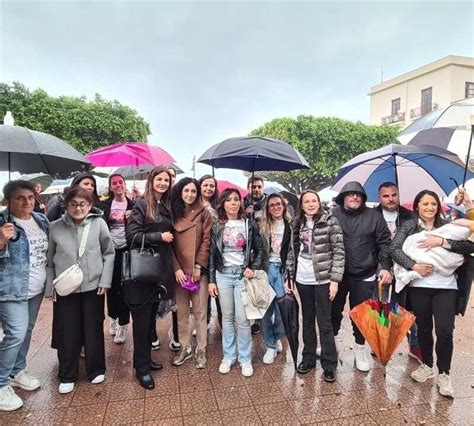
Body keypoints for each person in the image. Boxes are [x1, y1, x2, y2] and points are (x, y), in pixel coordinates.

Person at [390, 190, 474, 398]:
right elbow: (395, 248)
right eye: (425, 204)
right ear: (416, 206)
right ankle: (427, 365)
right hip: (419, 286)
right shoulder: (409, 226)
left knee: (445, 331)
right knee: (424, 329)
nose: (429, 208)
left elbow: (469, 244)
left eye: (433, 204)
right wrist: (414, 266)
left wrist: (442, 242)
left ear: (438, 207)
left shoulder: (448, 226)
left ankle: (444, 374)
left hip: (446, 286)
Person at [46, 187, 114, 394]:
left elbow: (109, 254)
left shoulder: (98, 223)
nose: (78, 208)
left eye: (83, 204)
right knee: (67, 331)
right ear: (66, 205)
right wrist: (51, 287)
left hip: (93, 287)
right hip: (65, 289)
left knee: (93, 329)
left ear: (90, 205)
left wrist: (105, 281)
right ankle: (67, 374)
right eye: (73, 203)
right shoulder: (55, 227)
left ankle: (96, 369)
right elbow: (49, 261)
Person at [331, 181, 392, 372]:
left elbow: (384, 243)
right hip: (338, 275)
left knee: (362, 316)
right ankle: (330, 345)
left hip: (364, 274)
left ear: (363, 197)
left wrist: (384, 267)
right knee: (333, 312)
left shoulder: (374, 217)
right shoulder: (333, 215)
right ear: (343, 197)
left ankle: (360, 349)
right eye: (350, 194)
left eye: (358, 194)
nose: (354, 197)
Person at [0, 180, 49, 411]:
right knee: (16, 333)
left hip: (36, 289)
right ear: (8, 200)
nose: (27, 202)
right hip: (11, 290)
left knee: (26, 330)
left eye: (30, 197)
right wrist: (0, 241)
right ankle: (1, 383)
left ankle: (16, 371)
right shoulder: (2, 222)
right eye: (20, 198)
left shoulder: (40, 220)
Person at [125, 166, 175, 390]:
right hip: (142, 273)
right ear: (152, 180)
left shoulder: (165, 206)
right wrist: (159, 236)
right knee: (142, 323)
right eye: (160, 179)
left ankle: (143, 361)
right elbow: (132, 236)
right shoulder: (141, 204)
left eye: (167, 180)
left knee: (149, 323)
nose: (163, 183)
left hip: (159, 272)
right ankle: (141, 370)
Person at [208, 188, 264, 377]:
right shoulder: (217, 225)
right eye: (229, 200)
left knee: (243, 319)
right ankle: (229, 356)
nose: (233, 203)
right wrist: (211, 280)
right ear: (222, 203)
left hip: (242, 276)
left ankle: (245, 358)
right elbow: (211, 254)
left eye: (236, 199)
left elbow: (260, 249)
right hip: (223, 275)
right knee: (227, 317)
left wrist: (252, 267)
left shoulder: (249, 224)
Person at [292, 190, 344, 382]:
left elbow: (339, 251)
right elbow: (292, 250)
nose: (311, 204)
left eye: (314, 200)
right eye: (307, 201)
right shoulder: (297, 223)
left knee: (325, 322)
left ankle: (329, 363)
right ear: (302, 205)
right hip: (302, 279)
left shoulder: (330, 221)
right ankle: (308, 357)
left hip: (323, 279)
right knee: (307, 319)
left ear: (319, 202)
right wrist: (290, 274)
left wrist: (334, 281)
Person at [375, 182, 420, 362]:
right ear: (380, 197)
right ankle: (380, 342)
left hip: (406, 268)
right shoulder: (373, 215)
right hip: (380, 267)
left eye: (394, 194)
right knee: (381, 307)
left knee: (408, 309)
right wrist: (383, 267)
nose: (390, 198)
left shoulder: (410, 217)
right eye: (386, 196)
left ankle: (414, 344)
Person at [170, 178, 212, 368]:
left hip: (197, 271)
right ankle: (185, 347)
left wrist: (198, 266)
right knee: (182, 313)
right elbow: (168, 245)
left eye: (193, 191)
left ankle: (201, 349)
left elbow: (206, 241)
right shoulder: (172, 213)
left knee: (200, 312)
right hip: (178, 272)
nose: (189, 194)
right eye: (186, 190)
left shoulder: (204, 213)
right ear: (180, 192)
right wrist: (176, 268)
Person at [259, 193, 292, 364]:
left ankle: (278, 335)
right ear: (267, 209)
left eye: (278, 204)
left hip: (283, 271)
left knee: (283, 310)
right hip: (266, 270)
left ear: (284, 206)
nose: (276, 207)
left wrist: (290, 274)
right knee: (265, 311)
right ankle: (270, 345)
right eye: (272, 205)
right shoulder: (262, 226)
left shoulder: (291, 226)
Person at [103, 174, 134, 345]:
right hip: (110, 252)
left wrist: (133, 216)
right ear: (110, 187)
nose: (117, 185)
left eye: (120, 182)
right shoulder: (105, 206)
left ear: (124, 184)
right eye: (114, 183)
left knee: (125, 288)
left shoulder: (133, 204)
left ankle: (123, 323)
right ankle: (113, 317)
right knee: (111, 287)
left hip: (127, 251)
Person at [243, 175, 266, 334]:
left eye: (259, 186)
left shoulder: (269, 203)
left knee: (260, 285)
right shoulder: (242, 202)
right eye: (253, 187)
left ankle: (260, 319)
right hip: (246, 250)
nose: (256, 189)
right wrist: (246, 214)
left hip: (264, 249)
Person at [199, 174, 222, 328]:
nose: (208, 188)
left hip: (218, 250)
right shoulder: (193, 204)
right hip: (201, 249)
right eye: (205, 185)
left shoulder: (219, 205)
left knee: (219, 287)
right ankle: (205, 319)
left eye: (211, 186)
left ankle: (223, 319)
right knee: (203, 287)